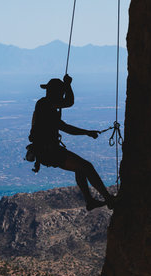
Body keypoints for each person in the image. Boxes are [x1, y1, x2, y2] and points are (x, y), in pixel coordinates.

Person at [28, 74, 116, 211]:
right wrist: (68, 86)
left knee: (80, 168)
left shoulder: (43, 105)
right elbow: (67, 116)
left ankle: (90, 200)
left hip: (45, 151)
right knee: (87, 167)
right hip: (49, 151)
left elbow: (66, 105)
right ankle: (108, 199)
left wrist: (67, 86)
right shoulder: (46, 106)